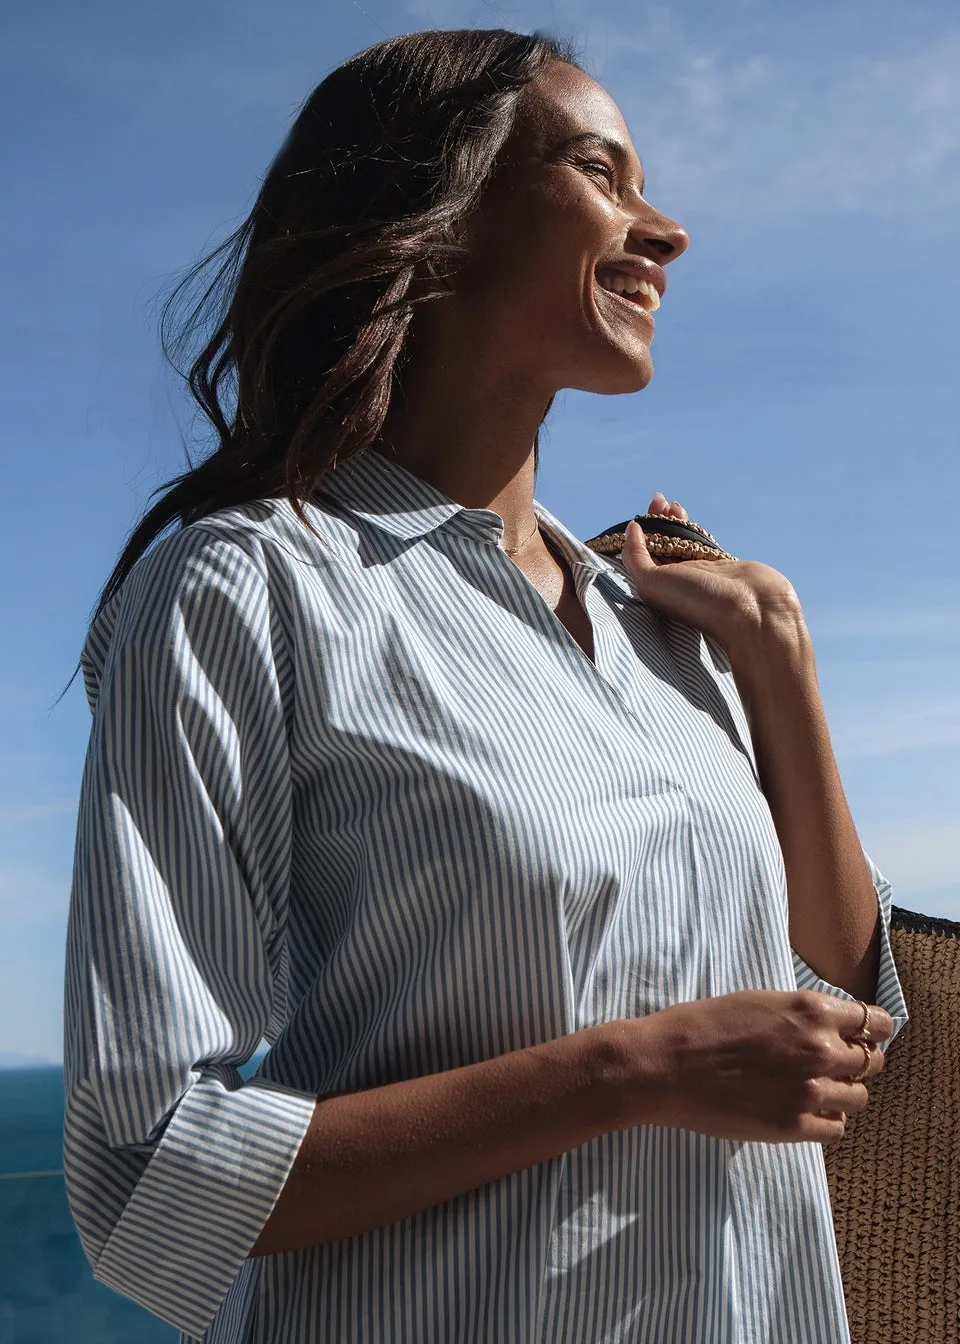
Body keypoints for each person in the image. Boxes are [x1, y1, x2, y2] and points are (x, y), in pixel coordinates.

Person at [62, 28, 908, 1344]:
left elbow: (845, 1021)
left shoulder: (667, 616)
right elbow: (151, 1177)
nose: (665, 228)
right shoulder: (247, 591)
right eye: (601, 172)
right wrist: (634, 1070)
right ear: (439, 223)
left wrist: (780, 660)